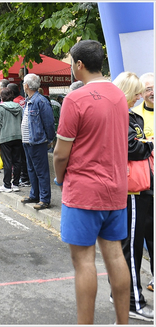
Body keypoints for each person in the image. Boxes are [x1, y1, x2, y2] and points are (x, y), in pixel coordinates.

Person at [53, 40, 130, 324]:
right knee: (115, 256)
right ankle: (123, 322)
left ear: (79, 65)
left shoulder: (76, 99)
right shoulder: (119, 96)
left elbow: (61, 154)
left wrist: (61, 179)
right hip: (116, 189)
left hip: (84, 189)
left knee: (84, 262)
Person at [112, 71, 154, 322]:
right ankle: (133, 301)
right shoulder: (123, 117)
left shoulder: (125, 115)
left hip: (133, 189)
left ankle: (121, 295)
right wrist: (149, 144)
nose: (140, 96)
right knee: (132, 249)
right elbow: (132, 148)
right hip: (133, 190)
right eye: (137, 92)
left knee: (127, 247)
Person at [133, 72, 154, 292]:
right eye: (148, 88)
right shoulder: (134, 115)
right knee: (149, 230)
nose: (152, 92)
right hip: (146, 182)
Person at [20, 73, 55, 210]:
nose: (23, 85)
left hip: (37, 141)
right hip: (28, 141)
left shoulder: (40, 101)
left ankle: (45, 199)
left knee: (41, 171)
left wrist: (49, 139)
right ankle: (34, 195)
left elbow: (49, 122)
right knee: (31, 169)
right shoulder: (29, 100)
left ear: (27, 86)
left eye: (24, 83)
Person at [0, 88, 22, 192]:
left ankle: (7, 185)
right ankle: (15, 184)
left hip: (5, 137)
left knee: (7, 161)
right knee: (17, 161)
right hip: (18, 136)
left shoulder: (0, 108)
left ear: (2, 96)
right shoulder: (19, 107)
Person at [8, 83, 29, 186]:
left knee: (18, 157)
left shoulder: (13, 103)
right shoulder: (24, 99)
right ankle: (25, 177)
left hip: (17, 132)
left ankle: (23, 177)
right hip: (26, 131)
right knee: (25, 156)